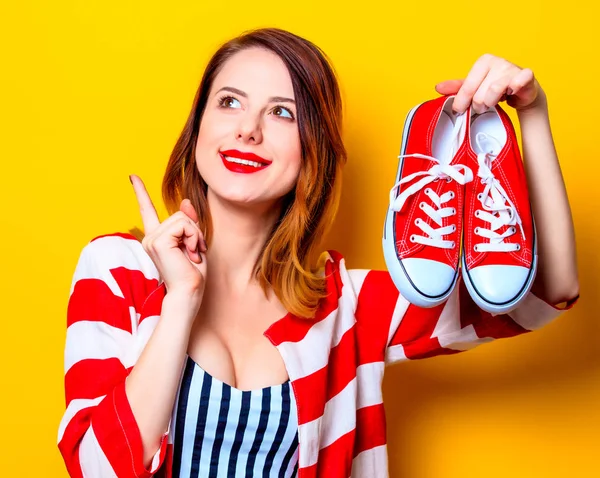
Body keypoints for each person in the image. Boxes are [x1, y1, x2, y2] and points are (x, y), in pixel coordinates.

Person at [57, 27, 579, 478]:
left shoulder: (346, 308)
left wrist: (532, 113)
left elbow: (547, 291)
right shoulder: (119, 269)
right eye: (230, 101)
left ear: (315, 148)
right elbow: (99, 467)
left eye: (282, 112)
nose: (248, 128)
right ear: (198, 128)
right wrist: (181, 301)